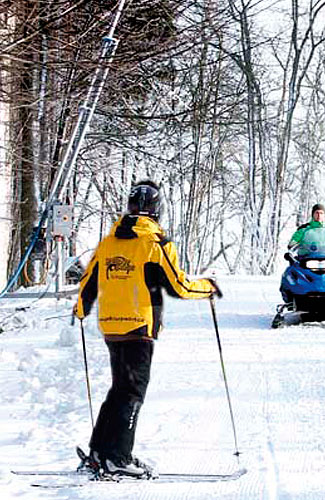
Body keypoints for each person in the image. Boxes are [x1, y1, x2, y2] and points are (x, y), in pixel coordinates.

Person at [74, 180, 222, 479]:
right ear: (157, 210)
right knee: (132, 393)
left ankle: (99, 452)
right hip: (139, 325)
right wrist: (208, 288)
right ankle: (118, 457)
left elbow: (88, 282)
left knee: (119, 390)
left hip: (111, 326)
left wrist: (80, 309)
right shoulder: (155, 244)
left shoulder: (108, 242)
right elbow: (179, 285)